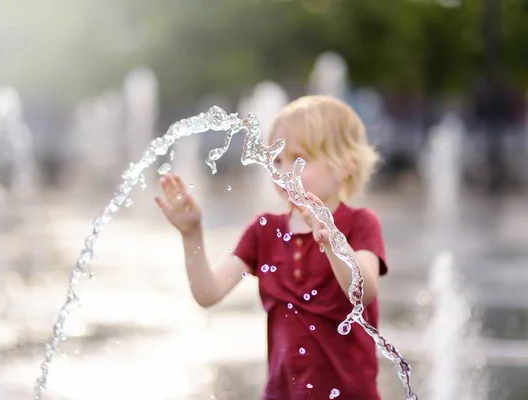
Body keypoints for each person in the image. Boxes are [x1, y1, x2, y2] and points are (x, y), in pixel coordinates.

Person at [155, 95, 388, 400]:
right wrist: (191, 235)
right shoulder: (264, 231)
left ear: (346, 165)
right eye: (278, 160)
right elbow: (208, 293)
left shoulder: (359, 223)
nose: (283, 171)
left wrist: (333, 242)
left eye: (299, 159)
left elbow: (362, 291)